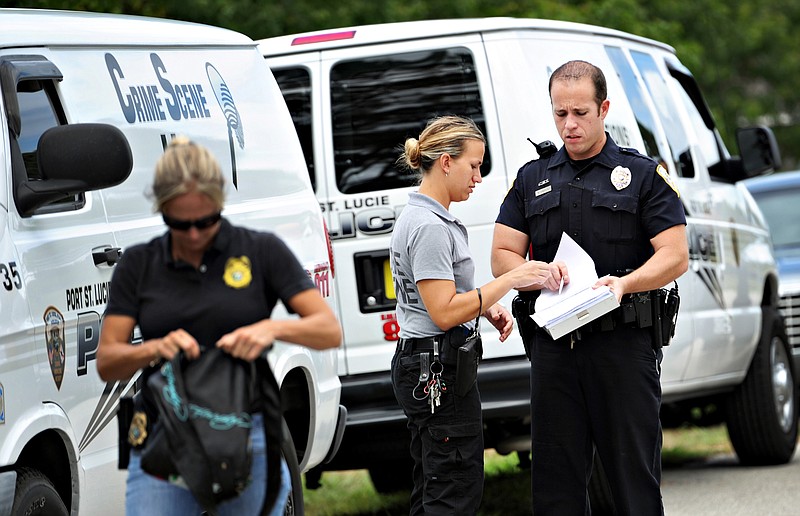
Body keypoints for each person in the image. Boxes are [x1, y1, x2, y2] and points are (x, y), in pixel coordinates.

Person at [96, 137, 342, 515]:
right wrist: (153, 349)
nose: (194, 234)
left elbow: (328, 329)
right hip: (164, 433)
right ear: (161, 210)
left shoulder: (260, 250)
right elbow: (108, 361)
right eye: (180, 223)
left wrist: (271, 330)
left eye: (206, 221)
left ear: (220, 203)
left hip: (247, 432)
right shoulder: (139, 264)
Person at [491, 60, 689, 515]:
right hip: (555, 351)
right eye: (560, 113)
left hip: (622, 348)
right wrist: (534, 271)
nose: (569, 124)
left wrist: (625, 284)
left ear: (604, 108)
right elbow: (502, 252)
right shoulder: (532, 178)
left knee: (632, 483)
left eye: (580, 112)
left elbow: (674, 254)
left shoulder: (640, 175)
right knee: (555, 487)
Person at [390, 115, 560, 515]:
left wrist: (485, 308)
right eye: (474, 165)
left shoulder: (424, 217)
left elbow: (443, 298)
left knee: (435, 487)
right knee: (454, 490)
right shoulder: (429, 225)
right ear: (446, 162)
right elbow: (444, 312)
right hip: (438, 369)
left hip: (428, 362)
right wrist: (511, 279)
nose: (478, 177)